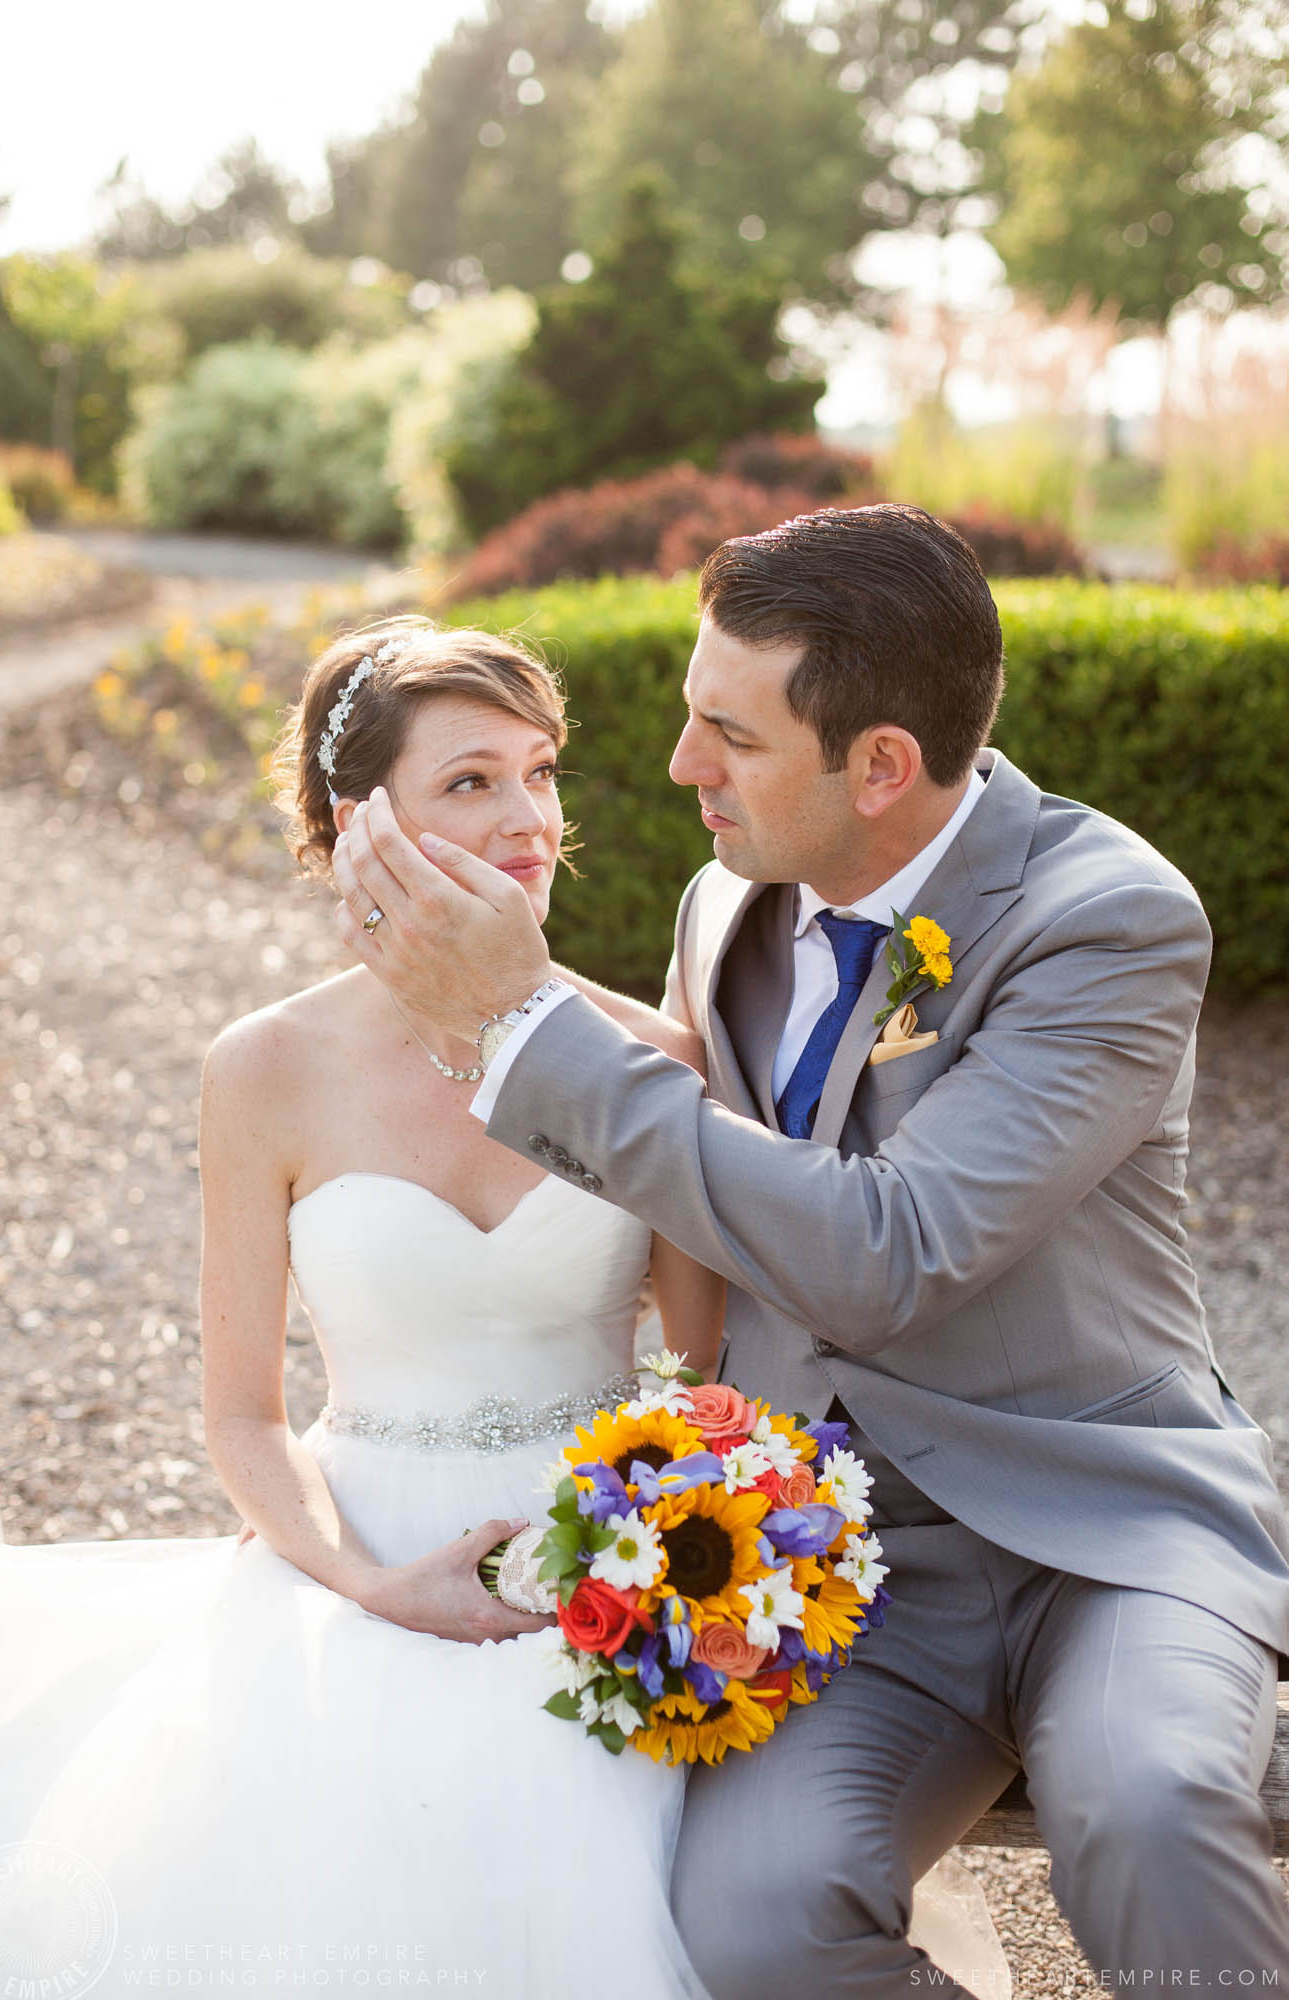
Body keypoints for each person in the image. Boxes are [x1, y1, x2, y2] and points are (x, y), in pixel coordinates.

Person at [0, 616, 1007, 1997]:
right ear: (361, 821)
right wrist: (372, 1584)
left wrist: (683, 1559)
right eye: (470, 781)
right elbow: (242, 1416)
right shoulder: (264, 1068)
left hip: (608, 1565)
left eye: (540, 771)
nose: (528, 817)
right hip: (358, 1556)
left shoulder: (650, 1054)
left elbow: (705, 1368)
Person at [331, 507, 1289, 1996]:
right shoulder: (723, 901)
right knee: (753, 1920)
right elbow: (699, 1217)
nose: (678, 767)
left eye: (730, 734)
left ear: (881, 766)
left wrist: (526, 1027)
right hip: (841, 1561)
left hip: (1101, 1536)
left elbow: (891, 1250)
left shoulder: (1105, 922)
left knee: (1149, 1811)